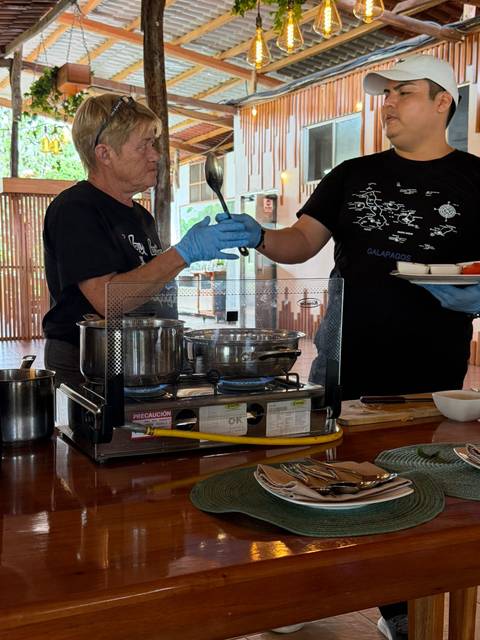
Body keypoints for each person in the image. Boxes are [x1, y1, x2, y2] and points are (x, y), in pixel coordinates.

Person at [217, 54, 480, 640]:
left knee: (425, 477)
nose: (387, 104)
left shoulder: (475, 180)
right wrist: (258, 235)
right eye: (385, 94)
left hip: (433, 364)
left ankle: (412, 604)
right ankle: (343, 586)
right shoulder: (352, 173)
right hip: (349, 353)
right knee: (341, 474)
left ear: (443, 103)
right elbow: (300, 243)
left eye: (403, 93)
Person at [43, 94, 249, 388]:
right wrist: (184, 252)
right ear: (104, 154)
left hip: (142, 356)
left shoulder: (141, 215)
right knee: (107, 436)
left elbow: (149, 283)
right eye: (143, 146)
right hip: (91, 360)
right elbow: (107, 299)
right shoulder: (76, 208)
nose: (155, 155)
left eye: (153, 144)